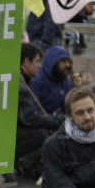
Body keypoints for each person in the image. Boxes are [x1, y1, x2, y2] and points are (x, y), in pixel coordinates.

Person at [15, 42, 61, 180]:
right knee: (41, 134)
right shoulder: (20, 83)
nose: (39, 65)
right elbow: (29, 118)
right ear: (26, 61)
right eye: (36, 61)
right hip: (5, 133)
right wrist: (55, 122)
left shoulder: (22, 78)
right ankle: (18, 164)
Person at [30, 44, 73, 115]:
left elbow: (68, 109)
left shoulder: (65, 81)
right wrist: (55, 120)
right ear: (52, 62)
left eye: (68, 61)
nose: (68, 65)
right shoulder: (36, 81)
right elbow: (33, 113)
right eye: (63, 61)